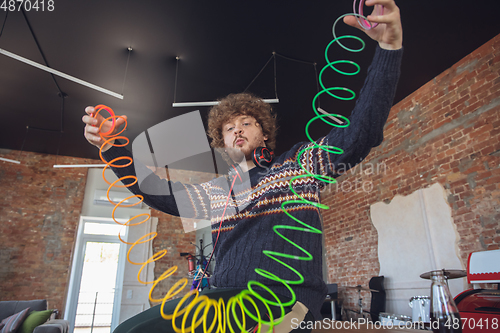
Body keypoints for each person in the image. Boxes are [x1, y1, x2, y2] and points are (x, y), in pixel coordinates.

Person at [82, 0, 403, 331]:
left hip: (286, 305)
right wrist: (109, 145)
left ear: (263, 133)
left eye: (246, 123)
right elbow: (158, 191)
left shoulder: (297, 164)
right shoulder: (219, 193)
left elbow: (359, 134)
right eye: (228, 128)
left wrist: (389, 49)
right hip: (225, 302)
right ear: (222, 143)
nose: (237, 129)